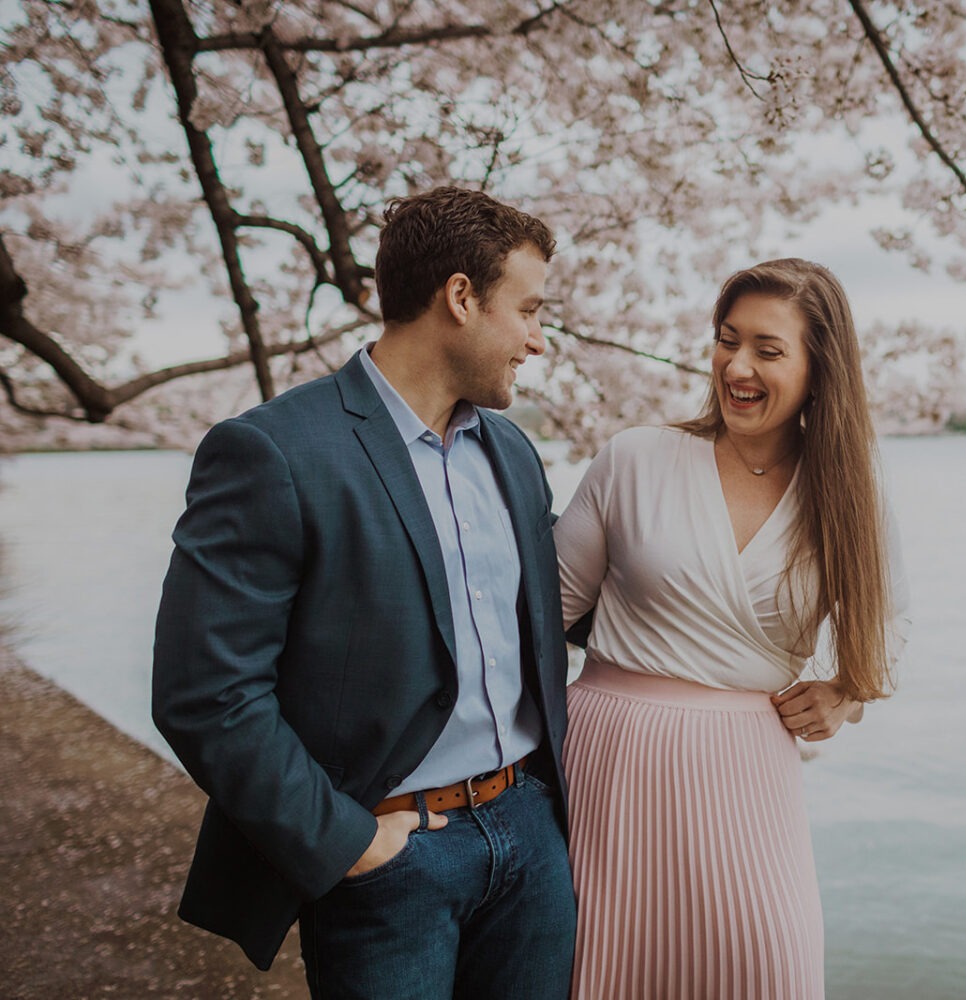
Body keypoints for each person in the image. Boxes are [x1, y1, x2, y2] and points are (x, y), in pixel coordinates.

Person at [152, 187, 576, 999]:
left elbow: (563, 611)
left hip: (531, 835)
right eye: (528, 310)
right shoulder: (271, 452)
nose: (538, 339)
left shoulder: (514, 453)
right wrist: (352, 844)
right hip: (392, 857)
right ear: (460, 297)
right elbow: (204, 693)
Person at [554, 257, 911, 999]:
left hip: (750, 768)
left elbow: (886, 626)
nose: (737, 366)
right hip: (611, 759)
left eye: (768, 350)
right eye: (727, 340)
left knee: (770, 967)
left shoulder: (846, 492)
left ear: (821, 367)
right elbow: (539, 615)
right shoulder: (635, 459)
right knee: (608, 969)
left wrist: (847, 692)